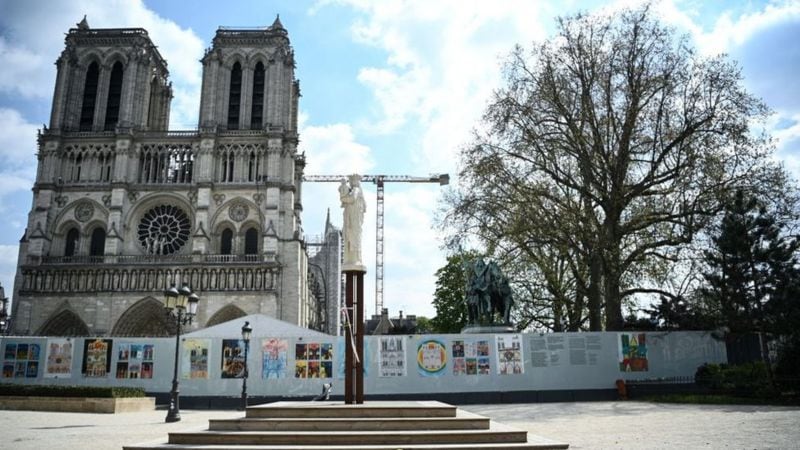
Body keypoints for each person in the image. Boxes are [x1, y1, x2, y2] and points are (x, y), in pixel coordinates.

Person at [340, 174, 366, 267]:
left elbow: (352, 199)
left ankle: (354, 259)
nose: (350, 183)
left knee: (353, 238)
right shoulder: (357, 191)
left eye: (351, 181)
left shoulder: (356, 190)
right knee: (351, 237)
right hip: (352, 218)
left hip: (354, 219)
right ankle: (352, 258)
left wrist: (343, 198)